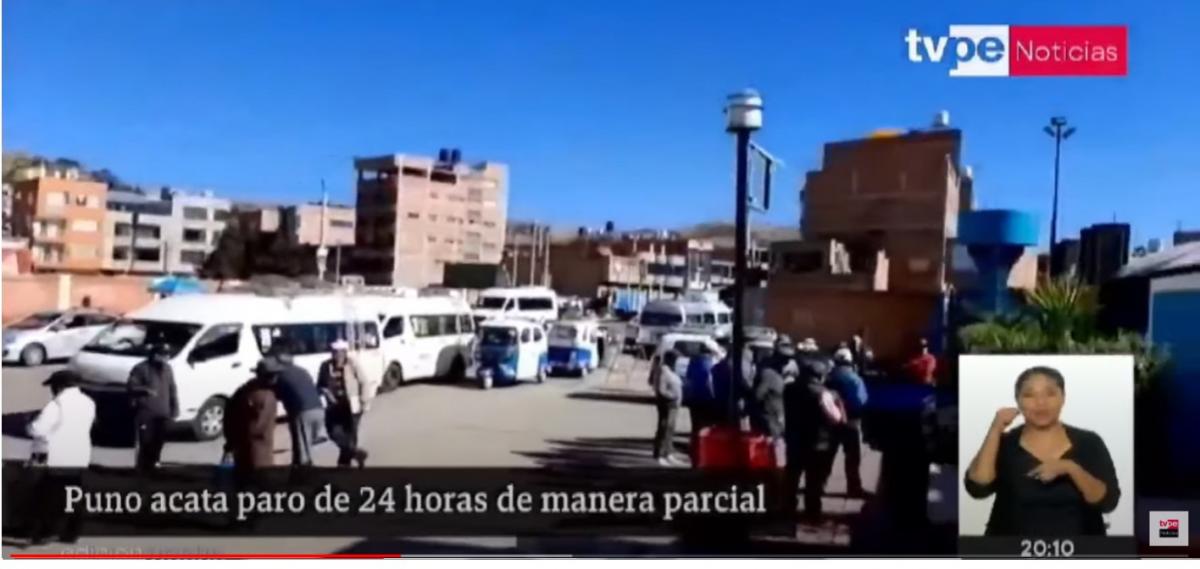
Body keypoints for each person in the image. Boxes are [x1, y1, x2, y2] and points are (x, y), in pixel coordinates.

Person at [965, 366, 1120, 536]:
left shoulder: (1089, 442)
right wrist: (995, 429)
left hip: (1080, 549)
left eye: (1050, 393)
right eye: (1029, 395)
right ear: (1018, 401)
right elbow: (978, 488)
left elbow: (1108, 502)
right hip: (1010, 549)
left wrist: (1070, 468)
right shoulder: (1003, 443)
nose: (1040, 403)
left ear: (1063, 398)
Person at [25, 370, 95, 544]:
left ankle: (45, 532)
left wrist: (29, 425)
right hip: (79, 455)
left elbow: (38, 429)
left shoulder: (56, 405)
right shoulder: (89, 402)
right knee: (73, 494)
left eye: (53, 386)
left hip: (57, 456)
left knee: (47, 495)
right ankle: (72, 532)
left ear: (60, 386)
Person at [783, 358, 842, 521]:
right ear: (820, 376)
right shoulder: (824, 393)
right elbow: (835, 418)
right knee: (814, 480)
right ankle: (812, 511)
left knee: (792, 477)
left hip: (795, 440)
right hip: (818, 443)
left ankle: (788, 507)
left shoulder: (789, 389)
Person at [223, 359, 280, 480]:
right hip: (256, 451)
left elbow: (229, 413)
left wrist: (230, 441)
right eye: (273, 375)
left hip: (247, 448)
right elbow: (258, 427)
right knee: (257, 480)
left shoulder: (246, 389)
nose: (276, 378)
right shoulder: (264, 395)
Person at [270, 342, 325, 467]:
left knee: (302, 450)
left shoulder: (281, 375)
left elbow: (275, 394)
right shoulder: (302, 371)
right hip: (318, 409)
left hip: (303, 412)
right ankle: (301, 468)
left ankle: (304, 473)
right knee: (305, 445)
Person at [318, 340, 371, 468]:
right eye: (335, 353)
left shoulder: (352, 364)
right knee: (334, 433)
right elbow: (320, 385)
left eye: (340, 353)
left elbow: (364, 382)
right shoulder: (325, 366)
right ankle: (356, 454)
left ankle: (344, 464)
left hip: (352, 405)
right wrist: (325, 392)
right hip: (333, 407)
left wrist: (364, 401)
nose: (337, 356)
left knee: (351, 436)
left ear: (345, 353)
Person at [128, 342, 179, 472]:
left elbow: (172, 389)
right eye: (162, 355)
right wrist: (145, 390)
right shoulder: (141, 368)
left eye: (167, 355)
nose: (166, 358)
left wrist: (175, 408)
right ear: (154, 355)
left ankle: (155, 462)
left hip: (163, 412)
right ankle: (143, 466)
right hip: (146, 412)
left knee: (159, 440)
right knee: (145, 440)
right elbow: (131, 386)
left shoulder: (168, 369)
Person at [827, 348, 869, 496]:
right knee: (852, 457)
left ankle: (818, 484)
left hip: (831, 422)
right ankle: (854, 487)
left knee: (827, 455)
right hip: (851, 423)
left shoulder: (828, 378)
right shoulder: (855, 379)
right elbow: (861, 401)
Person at [749, 339, 794, 468]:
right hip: (769, 421)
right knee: (771, 455)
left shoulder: (778, 373)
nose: (787, 363)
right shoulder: (769, 374)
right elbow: (758, 396)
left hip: (777, 420)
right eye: (785, 359)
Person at [682, 347, 717, 462]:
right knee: (704, 427)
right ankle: (701, 451)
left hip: (693, 398)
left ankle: (693, 449)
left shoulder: (693, 362)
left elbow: (687, 380)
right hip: (705, 399)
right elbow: (710, 383)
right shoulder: (709, 365)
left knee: (694, 426)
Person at [652, 350, 685, 466]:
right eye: (676, 360)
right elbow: (661, 390)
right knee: (664, 428)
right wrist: (673, 396)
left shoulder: (672, 370)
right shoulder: (664, 371)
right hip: (667, 404)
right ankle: (660, 454)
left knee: (670, 429)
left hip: (673, 406)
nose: (677, 362)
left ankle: (668, 453)